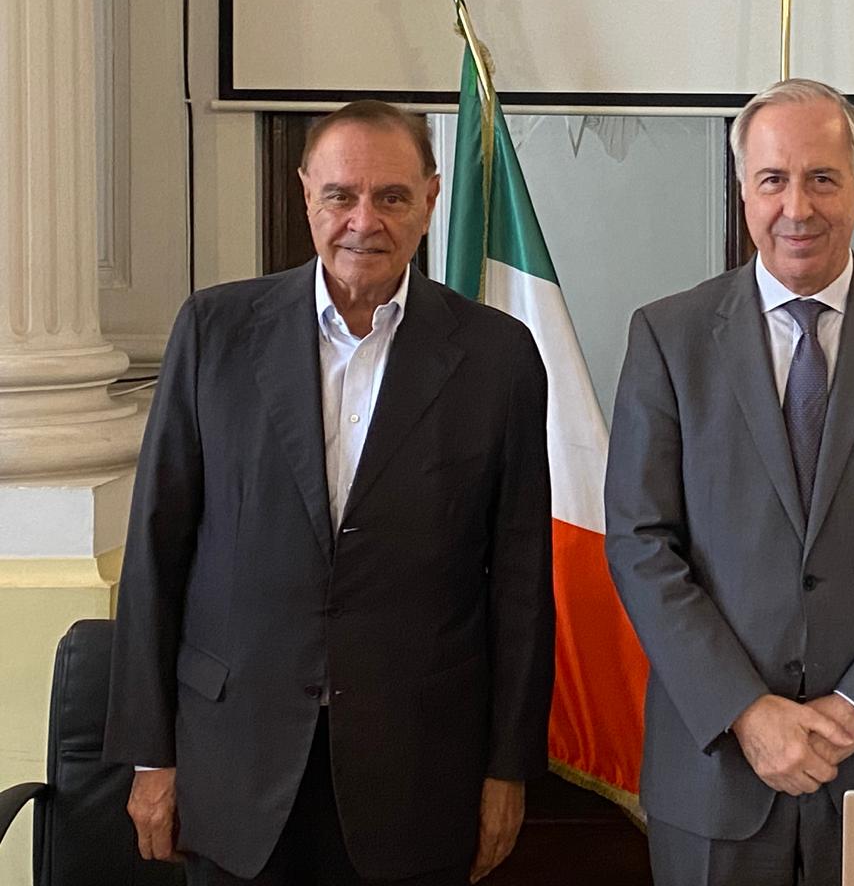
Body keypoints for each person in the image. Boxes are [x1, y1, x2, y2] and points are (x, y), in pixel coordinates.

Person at [105, 100, 555, 885]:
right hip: (233, 764)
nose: (363, 221)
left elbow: (520, 582)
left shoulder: (497, 358)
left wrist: (508, 769)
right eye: (341, 195)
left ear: (431, 199)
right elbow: (156, 549)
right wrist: (152, 756)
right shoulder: (215, 331)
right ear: (306, 192)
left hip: (417, 776)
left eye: (391, 196)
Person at [605, 78, 854, 886]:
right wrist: (747, 713)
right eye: (774, 179)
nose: (799, 207)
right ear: (742, 188)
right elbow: (641, 543)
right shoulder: (668, 336)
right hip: (717, 770)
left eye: (823, 178)